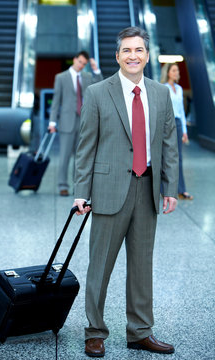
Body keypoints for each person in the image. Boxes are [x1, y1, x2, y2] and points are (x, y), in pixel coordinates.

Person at [73, 26, 179, 357]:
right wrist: (81, 191)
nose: (133, 56)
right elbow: (85, 146)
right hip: (107, 190)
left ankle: (140, 331)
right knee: (100, 265)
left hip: (146, 189)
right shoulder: (97, 93)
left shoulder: (161, 93)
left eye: (139, 50)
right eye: (127, 51)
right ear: (117, 56)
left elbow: (168, 143)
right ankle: (95, 331)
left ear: (147, 56)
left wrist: (170, 186)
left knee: (142, 265)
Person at [48, 51, 103, 196]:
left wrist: (95, 69)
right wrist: (52, 122)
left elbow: (101, 86)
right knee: (65, 156)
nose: (81, 65)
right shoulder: (61, 77)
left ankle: (78, 187)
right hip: (67, 121)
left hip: (84, 121)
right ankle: (62, 185)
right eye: (80, 62)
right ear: (74, 60)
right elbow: (56, 101)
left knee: (81, 158)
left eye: (84, 64)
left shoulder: (87, 76)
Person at [161, 63, 193, 200]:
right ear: (168, 72)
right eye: (174, 70)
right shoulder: (163, 89)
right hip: (166, 124)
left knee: (178, 158)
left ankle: (181, 190)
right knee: (165, 157)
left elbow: (181, 111)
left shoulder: (179, 89)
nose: (176, 72)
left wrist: (185, 131)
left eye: (177, 70)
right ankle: (163, 189)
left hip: (178, 123)